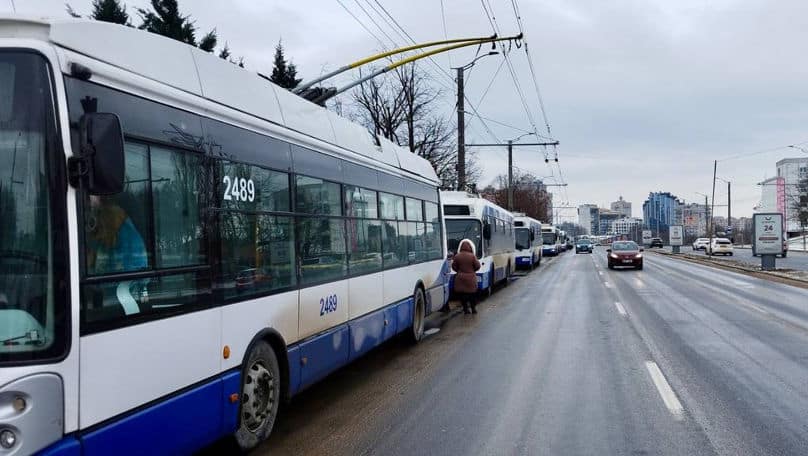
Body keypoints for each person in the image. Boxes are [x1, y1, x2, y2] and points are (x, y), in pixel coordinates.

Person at [451, 239, 481, 314]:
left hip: (460, 279)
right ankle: (473, 309)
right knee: (472, 295)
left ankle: (465, 309)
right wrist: (473, 270)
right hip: (471, 279)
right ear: (470, 247)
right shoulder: (472, 256)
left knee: (463, 295)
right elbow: (478, 266)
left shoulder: (457, 256)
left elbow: (453, 266)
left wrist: (459, 271)